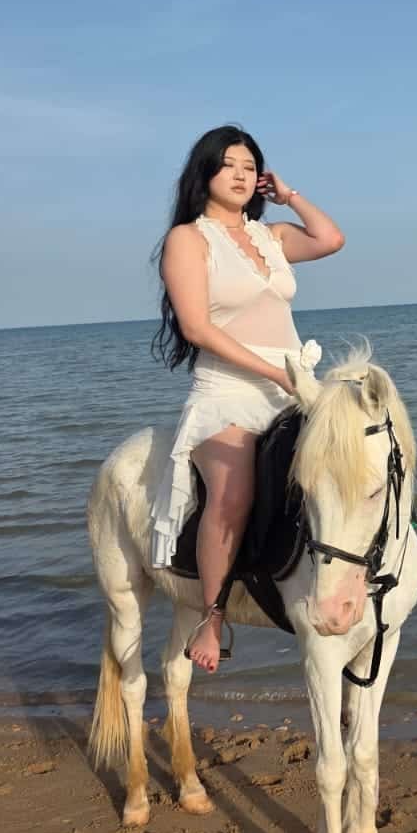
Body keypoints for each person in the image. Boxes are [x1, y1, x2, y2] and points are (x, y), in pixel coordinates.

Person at [148, 124, 345, 671]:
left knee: (352, 465)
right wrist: (273, 372)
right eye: (227, 164)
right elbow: (197, 329)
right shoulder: (188, 239)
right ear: (205, 172)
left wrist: (292, 197)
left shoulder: (271, 236)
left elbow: (331, 240)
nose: (238, 174)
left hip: (290, 385)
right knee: (233, 492)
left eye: (247, 165)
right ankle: (213, 615)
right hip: (228, 390)